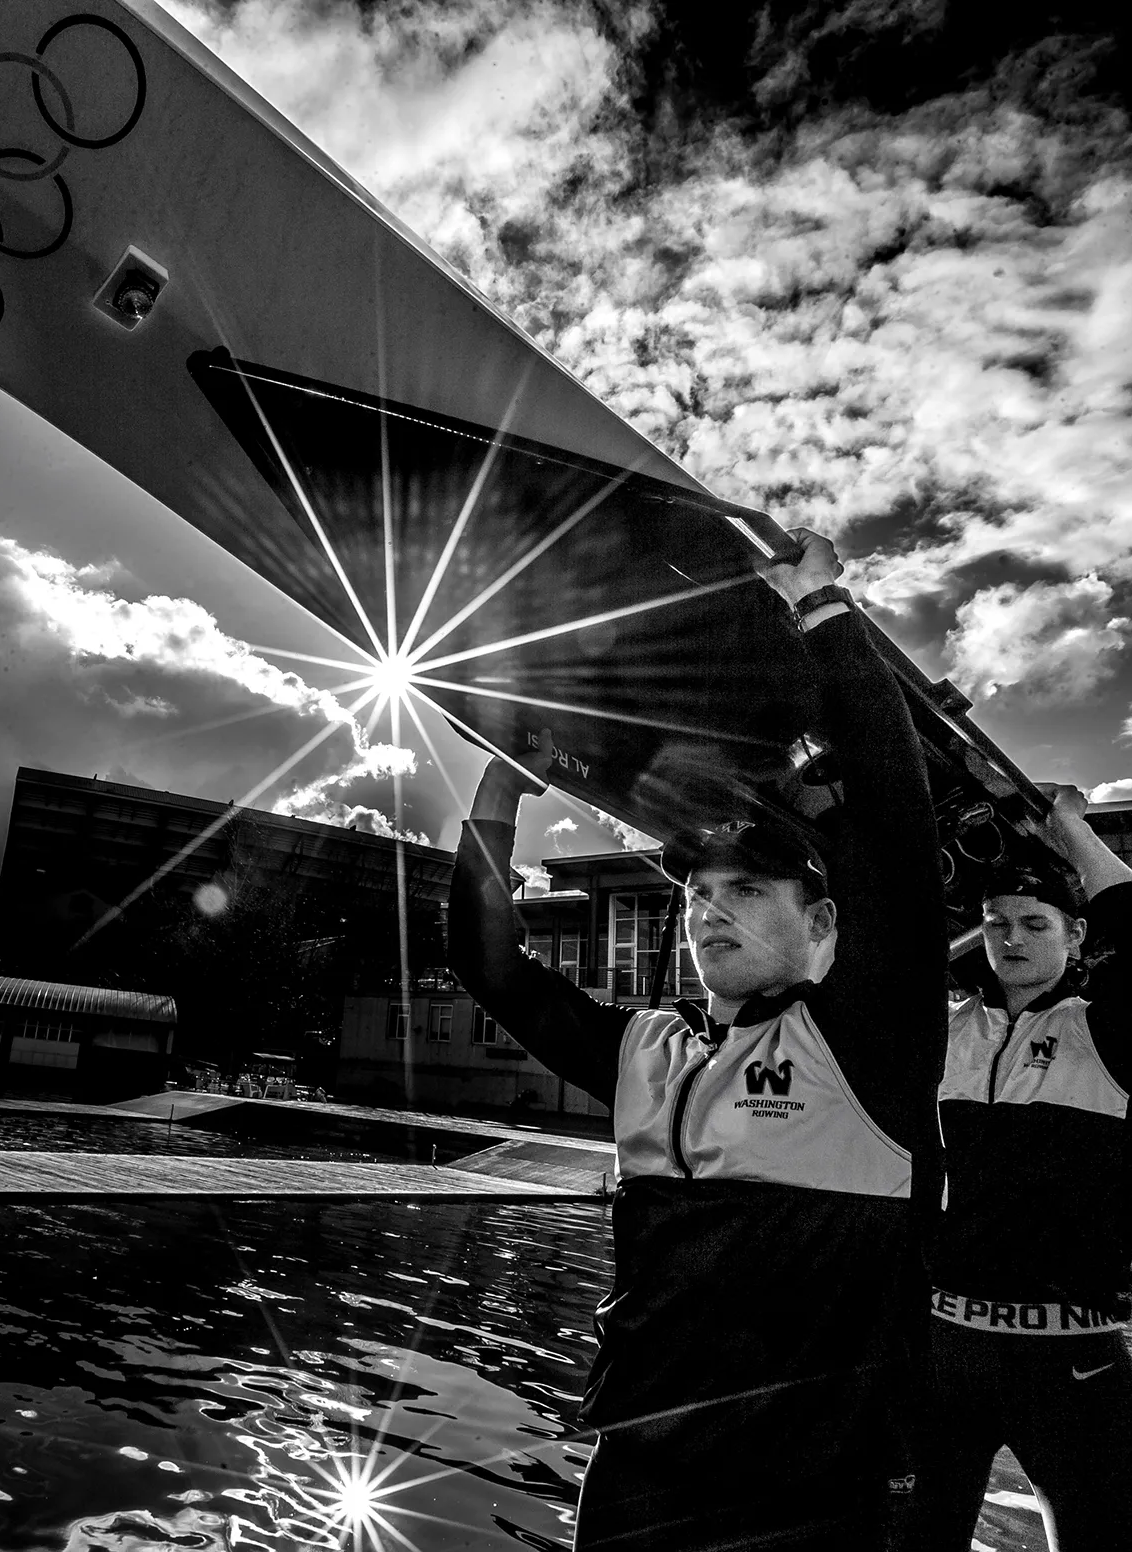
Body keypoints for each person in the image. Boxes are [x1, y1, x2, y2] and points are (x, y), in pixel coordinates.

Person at [447, 531, 947, 1550]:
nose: (711, 911)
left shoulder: (868, 1040)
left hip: (811, 1500)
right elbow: (489, 964)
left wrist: (825, 615)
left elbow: (898, 830)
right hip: (636, 1472)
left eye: (748, 891)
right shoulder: (646, 1051)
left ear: (822, 922)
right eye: (700, 894)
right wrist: (500, 792)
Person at [911, 791, 1132, 1552]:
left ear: (1076, 934)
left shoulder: (1109, 1033)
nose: (1011, 938)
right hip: (943, 1346)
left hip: (1074, 1360)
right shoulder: (944, 1031)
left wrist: (1069, 828)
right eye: (996, 923)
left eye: (1035, 924)